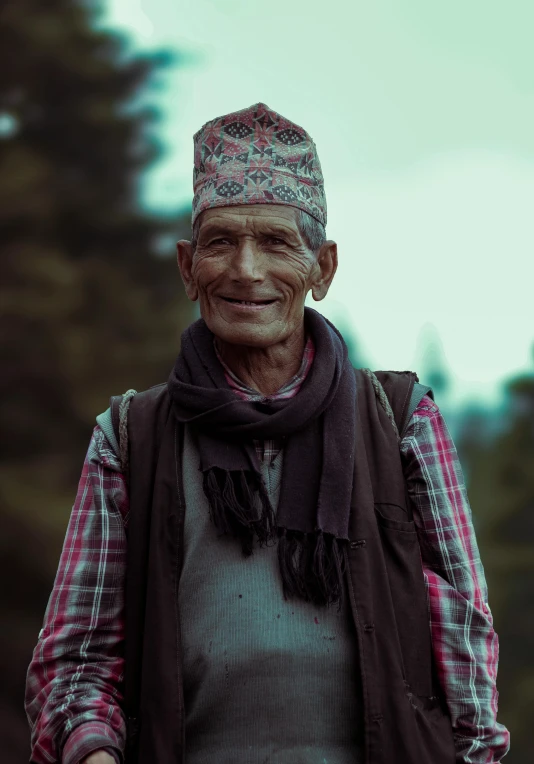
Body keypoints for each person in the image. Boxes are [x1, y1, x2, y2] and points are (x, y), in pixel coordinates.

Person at [25, 103, 510, 764]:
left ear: (324, 268)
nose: (245, 269)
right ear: (187, 267)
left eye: (276, 242)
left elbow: (463, 635)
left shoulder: (399, 419)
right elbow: (76, 661)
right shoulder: (130, 436)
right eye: (220, 242)